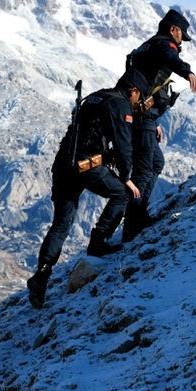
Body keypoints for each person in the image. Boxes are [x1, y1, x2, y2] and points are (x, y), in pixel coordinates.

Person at [27, 69, 148, 310]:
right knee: (122, 194)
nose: (138, 102)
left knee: (60, 225)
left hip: (63, 165)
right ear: (132, 91)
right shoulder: (120, 105)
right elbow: (123, 146)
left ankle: (41, 276)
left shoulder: (95, 96)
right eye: (139, 97)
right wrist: (126, 177)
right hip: (87, 166)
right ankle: (99, 241)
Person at [121, 8, 196, 242]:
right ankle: (134, 224)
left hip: (142, 116)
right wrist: (188, 72)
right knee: (144, 169)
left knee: (155, 162)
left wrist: (153, 119)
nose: (181, 41)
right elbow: (171, 58)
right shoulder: (164, 45)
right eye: (180, 35)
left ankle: (138, 215)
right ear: (172, 29)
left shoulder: (145, 46)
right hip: (142, 117)